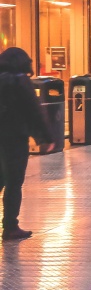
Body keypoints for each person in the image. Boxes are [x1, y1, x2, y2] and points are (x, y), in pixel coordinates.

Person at [0, 47, 55, 240]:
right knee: (14, 182)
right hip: (15, 138)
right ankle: (10, 226)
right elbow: (34, 110)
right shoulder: (20, 80)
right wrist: (46, 137)